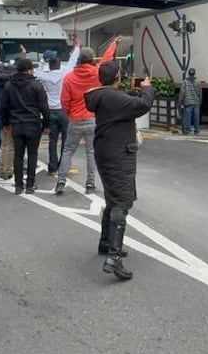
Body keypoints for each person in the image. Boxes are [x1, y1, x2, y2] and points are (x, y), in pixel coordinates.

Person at [84, 62, 156, 281]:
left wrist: (134, 92)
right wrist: (147, 88)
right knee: (121, 203)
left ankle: (106, 243)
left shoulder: (103, 96)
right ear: (117, 76)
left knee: (112, 198)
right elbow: (143, 105)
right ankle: (114, 257)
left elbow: (126, 103)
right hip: (118, 154)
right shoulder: (113, 97)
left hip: (106, 151)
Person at [56, 39, 120, 195]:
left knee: (68, 150)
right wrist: (113, 44)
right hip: (93, 118)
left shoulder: (69, 77)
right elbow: (106, 60)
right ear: (92, 59)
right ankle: (90, 184)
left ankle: (61, 180)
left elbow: (64, 100)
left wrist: (70, 114)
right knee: (91, 152)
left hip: (75, 118)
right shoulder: (97, 73)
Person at [0, 58, 50, 195]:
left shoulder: (9, 85)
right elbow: (44, 107)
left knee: (18, 155)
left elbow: (4, 107)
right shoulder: (36, 85)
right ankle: (30, 185)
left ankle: (18, 185)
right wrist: (47, 124)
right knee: (32, 155)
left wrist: (5, 123)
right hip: (33, 123)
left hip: (16, 123)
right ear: (29, 69)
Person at [38, 41, 81, 175]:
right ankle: (64, 167)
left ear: (49, 67)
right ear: (59, 65)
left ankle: (52, 167)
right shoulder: (65, 74)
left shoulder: (44, 77)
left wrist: (43, 61)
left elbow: (37, 72)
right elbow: (72, 61)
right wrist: (77, 47)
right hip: (64, 110)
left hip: (50, 110)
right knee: (66, 141)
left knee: (52, 140)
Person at [178, 67, 202, 135]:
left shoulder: (185, 82)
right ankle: (197, 130)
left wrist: (180, 101)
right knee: (196, 117)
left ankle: (187, 131)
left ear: (188, 74)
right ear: (194, 74)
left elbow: (182, 92)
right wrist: (200, 100)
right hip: (196, 102)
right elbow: (200, 92)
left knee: (187, 117)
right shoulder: (198, 81)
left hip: (188, 102)